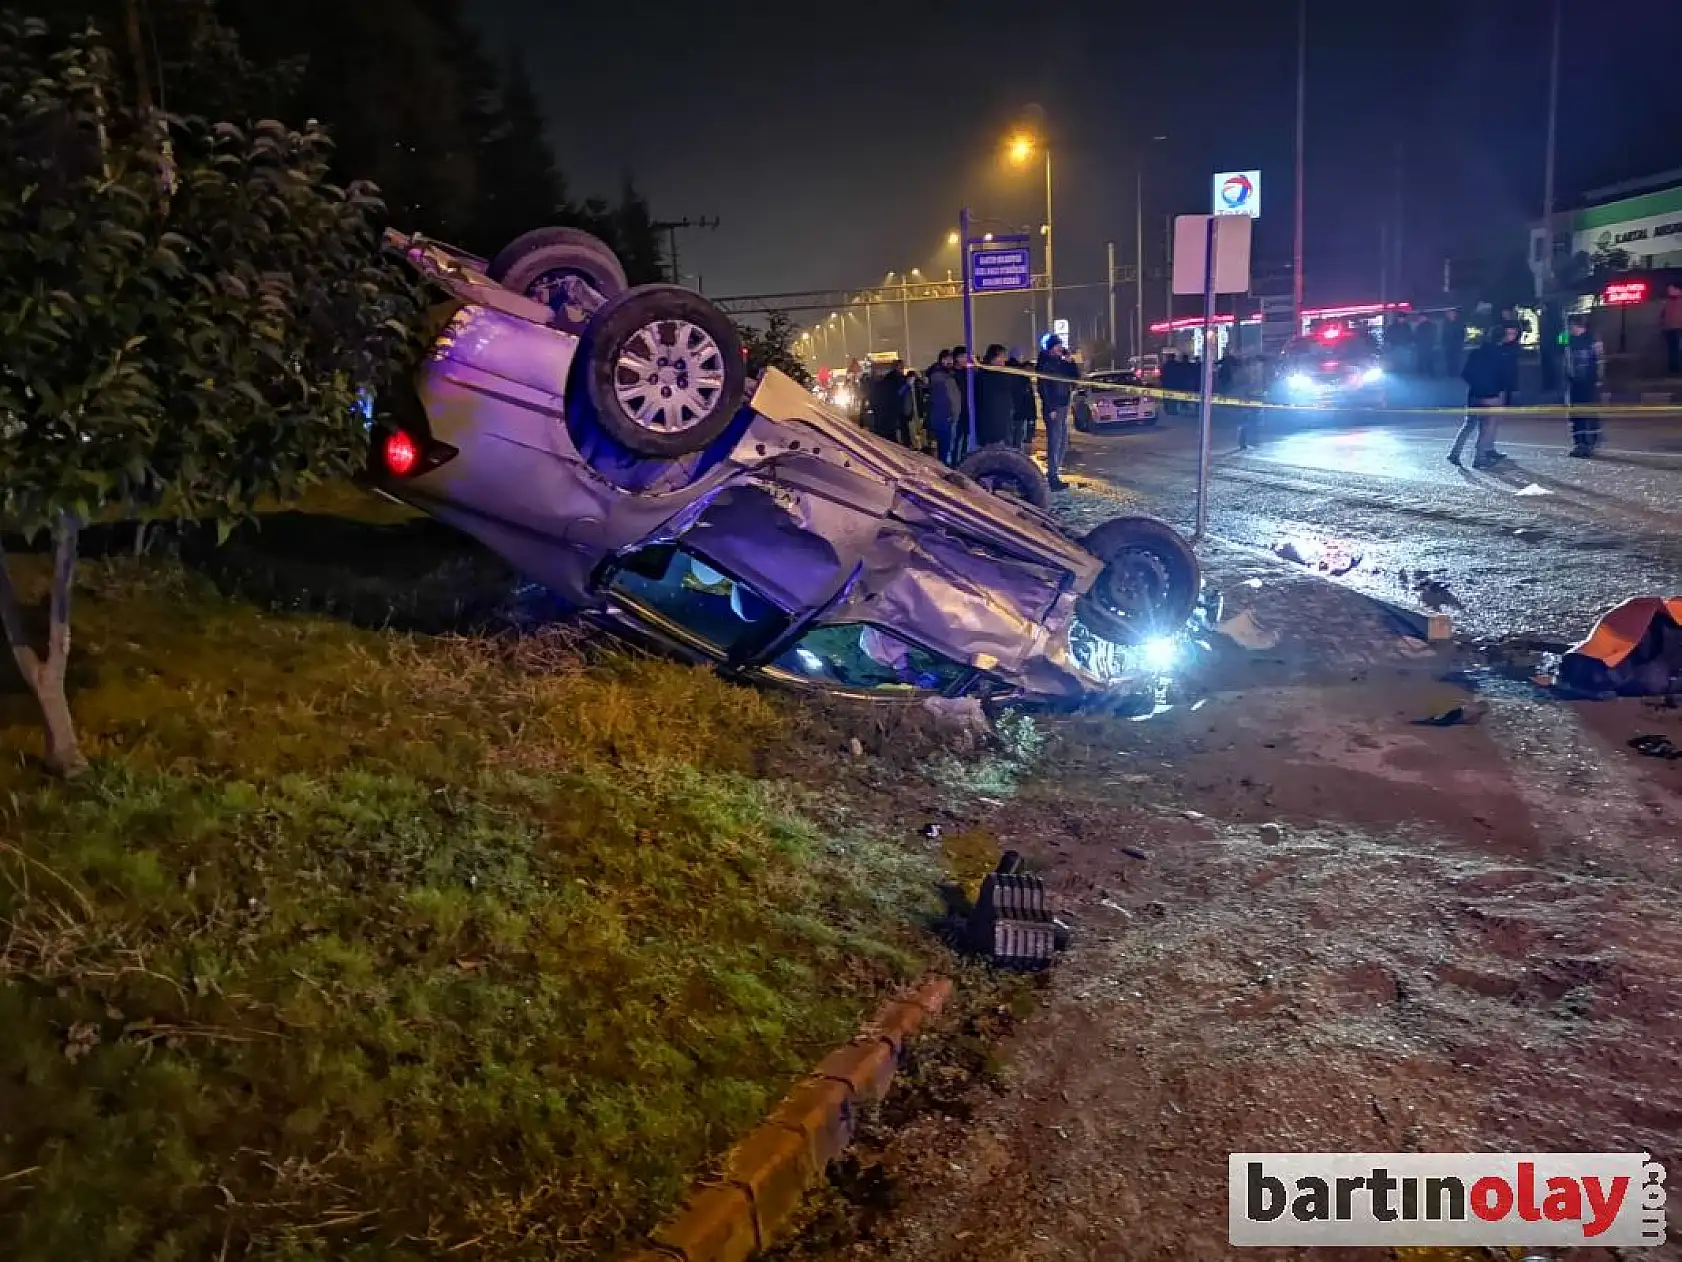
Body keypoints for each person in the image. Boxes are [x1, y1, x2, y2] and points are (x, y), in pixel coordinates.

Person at [1449, 323, 1518, 469]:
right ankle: (1480, 458)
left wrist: (1476, 385)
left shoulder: (1476, 353)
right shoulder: (1501, 355)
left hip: (1474, 393)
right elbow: (1504, 377)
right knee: (1487, 427)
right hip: (1491, 395)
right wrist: (1501, 389)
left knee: (1469, 424)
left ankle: (1455, 452)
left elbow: (1465, 373)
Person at [1035, 333, 1080, 491]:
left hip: (1063, 404)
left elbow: (1075, 378)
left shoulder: (1061, 363)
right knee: (1054, 441)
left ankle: (1055, 472)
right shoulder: (1045, 363)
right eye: (1057, 345)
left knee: (1062, 442)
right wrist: (1050, 407)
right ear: (1051, 347)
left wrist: (1071, 362)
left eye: (1061, 345)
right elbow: (1043, 387)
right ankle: (1052, 476)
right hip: (1054, 407)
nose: (1060, 348)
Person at [1565, 313, 1605, 458]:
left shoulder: (1592, 339)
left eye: (1571, 327)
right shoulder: (1568, 339)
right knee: (1575, 414)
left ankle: (1590, 443)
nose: (1570, 329)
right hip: (1574, 383)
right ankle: (1579, 444)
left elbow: (1599, 361)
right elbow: (1557, 344)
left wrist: (1599, 379)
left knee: (1589, 413)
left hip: (1589, 382)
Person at [973, 344, 1016, 448]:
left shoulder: (1005, 374)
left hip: (1004, 417)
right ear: (992, 357)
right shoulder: (984, 375)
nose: (1003, 360)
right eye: (1000, 356)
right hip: (990, 419)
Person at [924, 349, 962, 465]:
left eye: (951, 359)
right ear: (942, 360)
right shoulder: (940, 378)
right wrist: (950, 415)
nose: (950, 362)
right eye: (947, 359)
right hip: (944, 419)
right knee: (945, 450)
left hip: (946, 418)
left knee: (944, 450)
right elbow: (943, 400)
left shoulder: (946, 376)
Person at [867, 358, 908, 445]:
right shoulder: (895, 380)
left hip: (882, 418)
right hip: (890, 416)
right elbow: (897, 395)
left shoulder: (878, 383)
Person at [1006, 347, 1037, 449]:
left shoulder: (1007, 370)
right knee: (1018, 434)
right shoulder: (1020, 373)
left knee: (1013, 434)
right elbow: (1025, 394)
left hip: (1011, 408)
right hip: (1019, 409)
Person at [952, 345, 973, 461]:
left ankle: (963, 460)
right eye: (964, 357)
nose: (966, 359)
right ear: (957, 358)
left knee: (966, 437)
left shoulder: (968, 373)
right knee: (956, 439)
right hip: (957, 411)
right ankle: (955, 463)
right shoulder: (952, 374)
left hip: (967, 410)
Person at [1441, 308, 1467, 378]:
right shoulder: (1446, 323)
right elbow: (1444, 334)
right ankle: (1451, 373)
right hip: (1449, 345)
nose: (1448, 315)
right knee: (1449, 359)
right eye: (1447, 314)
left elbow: (1462, 334)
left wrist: (1460, 343)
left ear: (1454, 314)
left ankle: (1455, 373)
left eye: (1450, 313)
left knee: (1456, 359)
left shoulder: (1459, 323)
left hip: (1456, 345)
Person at [1663, 283, 1682, 375]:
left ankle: (1675, 368)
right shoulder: (1668, 301)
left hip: (1674, 328)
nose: (1669, 291)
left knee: (1674, 350)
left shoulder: (1669, 301)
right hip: (1672, 328)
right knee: (1674, 349)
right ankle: (1674, 368)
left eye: (1671, 289)